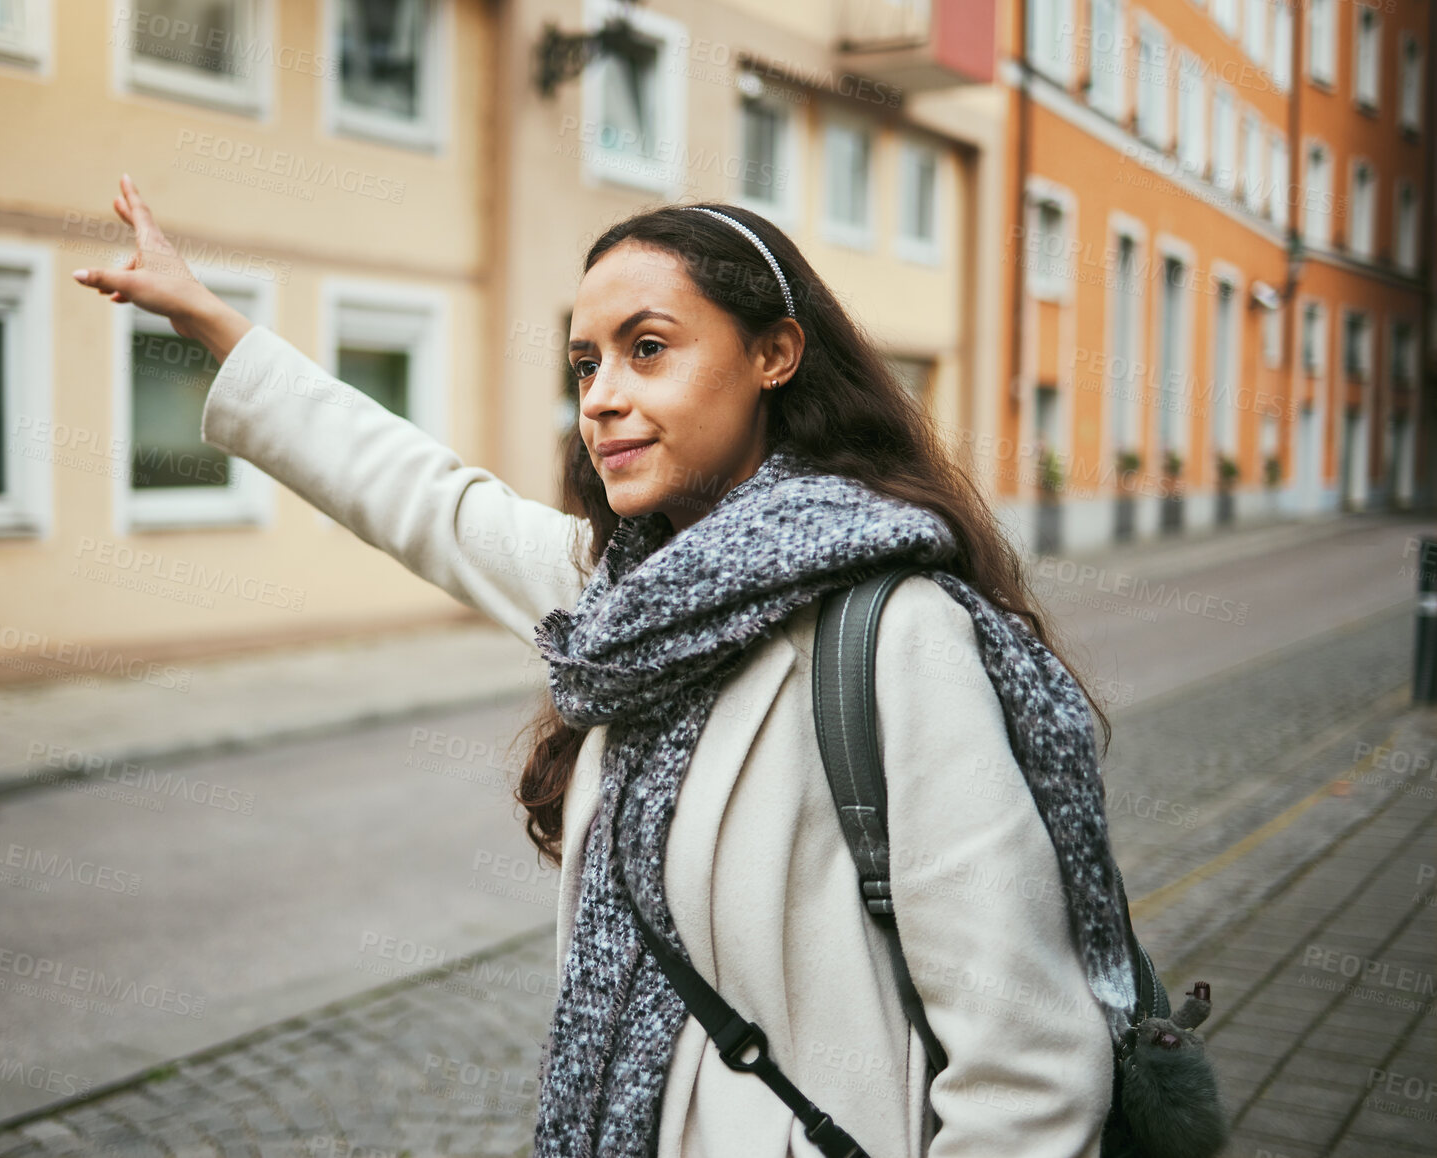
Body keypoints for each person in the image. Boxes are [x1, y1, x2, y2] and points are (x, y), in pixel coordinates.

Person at [74, 175, 1132, 1158]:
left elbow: (1026, 1067)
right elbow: (424, 496)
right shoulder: (623, 600)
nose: (600, 397)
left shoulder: (892, 633)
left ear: (773, 355)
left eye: (647, 349)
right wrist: (213, 322)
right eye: (585, 364)